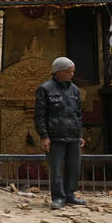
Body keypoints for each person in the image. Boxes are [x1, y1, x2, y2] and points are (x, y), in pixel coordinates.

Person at [35, 56, 85, 209]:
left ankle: (70, 194)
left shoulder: (74, 90)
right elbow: (40, 115)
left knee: (73, 167)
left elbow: (78, 114)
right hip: (55, 136)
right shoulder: (45, 89)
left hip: (72, 135)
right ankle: (58, 197)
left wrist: (79, 134)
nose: (71, 74)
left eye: (72, 71)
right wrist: (44, 136)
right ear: (59, 72)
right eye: (68, 72)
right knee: (56, 168)